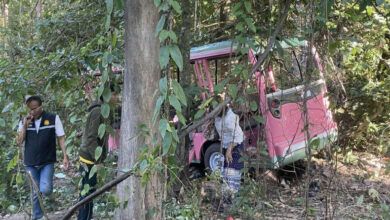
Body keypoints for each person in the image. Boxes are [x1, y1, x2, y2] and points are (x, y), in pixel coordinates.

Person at [17, 95, 69, 220]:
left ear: (41, 107)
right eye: (29, 109)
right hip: (30, 162)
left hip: (47, 161)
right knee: (36, 192)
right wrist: (24, 125)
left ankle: (48, 195)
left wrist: (65, 156)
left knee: (45, 190)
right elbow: (19, 141)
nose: (32, 112)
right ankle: (37, 217)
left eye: (34, 109)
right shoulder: (24, 120)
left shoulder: (53, 118)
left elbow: (61, 137)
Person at [77, 85, 120, 220]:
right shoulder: (97, 111)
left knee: (89, 192)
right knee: (87, 194)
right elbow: (91, 138)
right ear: (106, 95)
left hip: (92, 158)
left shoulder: (107, 111)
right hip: (88, 159)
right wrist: (98, 161)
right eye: (113, 94)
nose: (116, 97)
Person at [214, 104, 244, 211]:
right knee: (226, 175)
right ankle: (226, 203)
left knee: (231, 173)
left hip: (236, 146)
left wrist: (229, 150)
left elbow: (239, 136)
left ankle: (228, 203)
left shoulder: (229, 118)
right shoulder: (217, 117)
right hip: (226, 146)